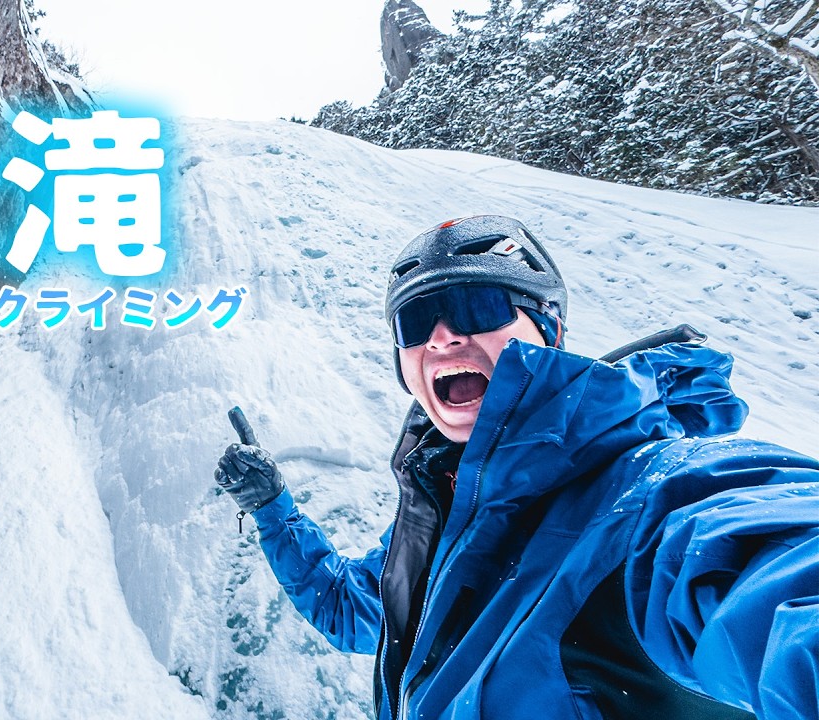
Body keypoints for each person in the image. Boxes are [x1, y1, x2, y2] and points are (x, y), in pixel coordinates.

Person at [214, 216, 819, 720]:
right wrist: (273, 510)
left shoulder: (653, 496)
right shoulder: (438, 527)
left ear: (549, 331)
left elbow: (775, 568)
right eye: (415, 321)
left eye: (479, 306)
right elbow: (351, 612)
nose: (444, 337)